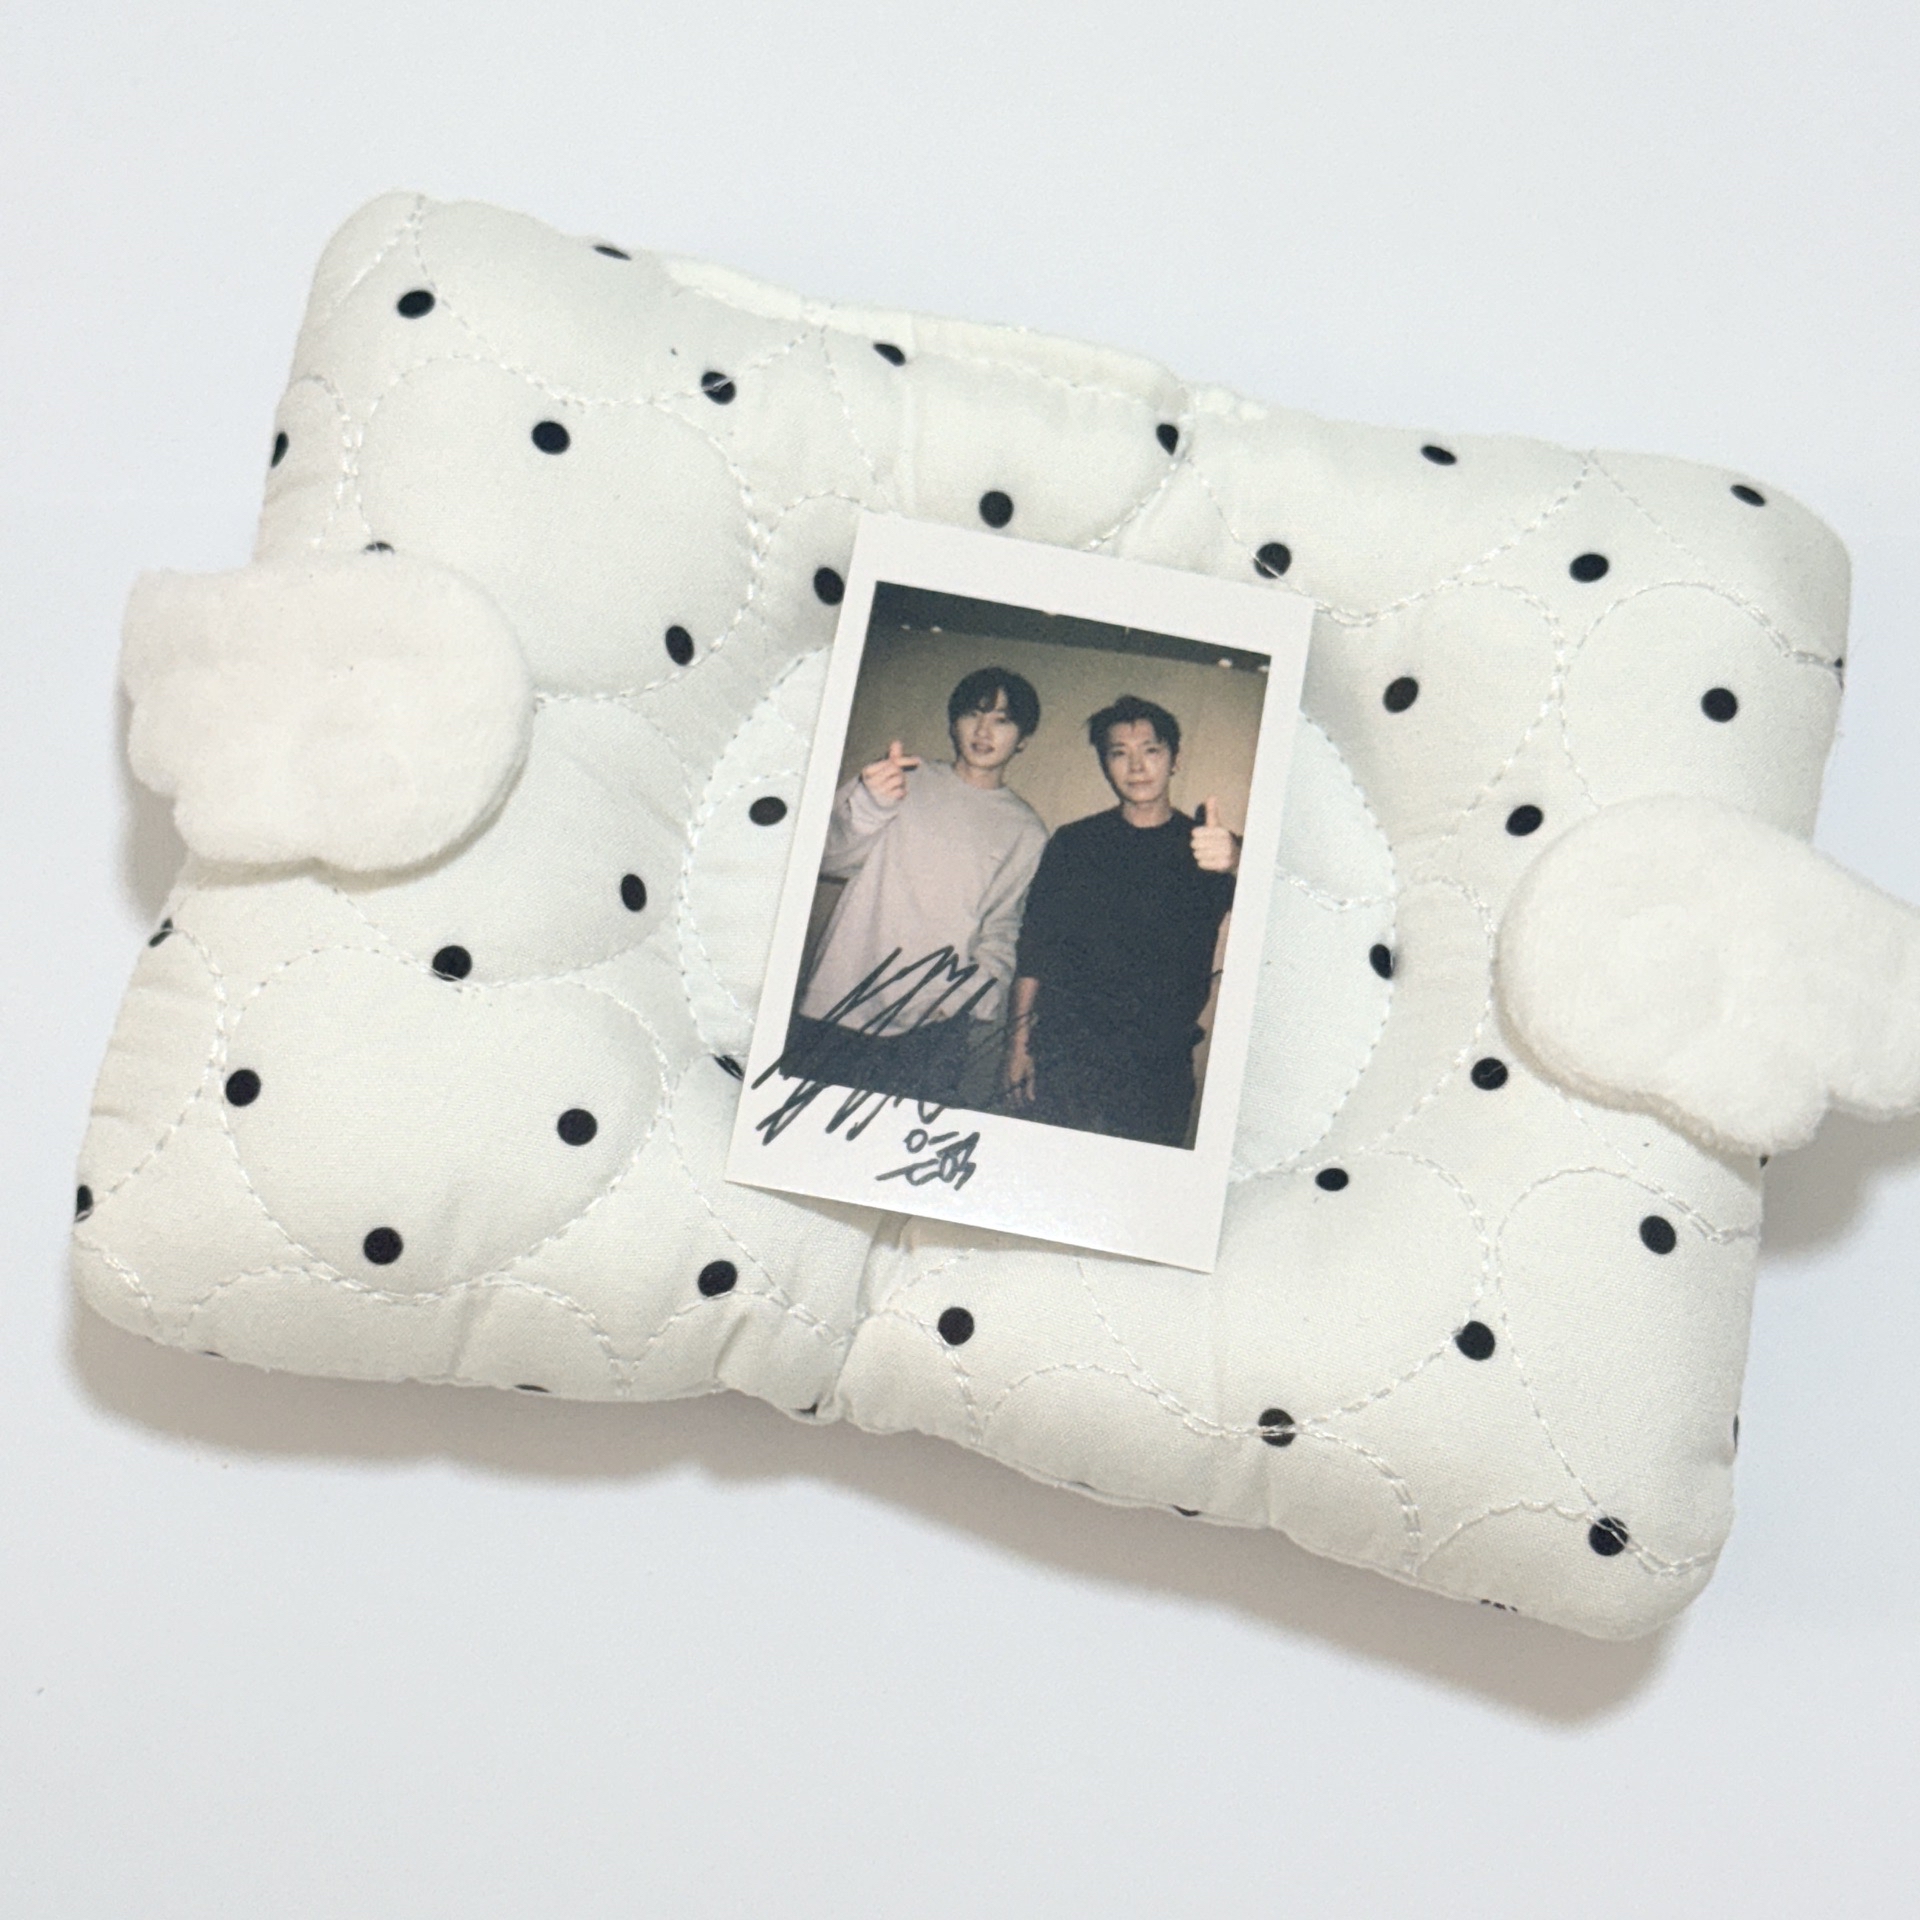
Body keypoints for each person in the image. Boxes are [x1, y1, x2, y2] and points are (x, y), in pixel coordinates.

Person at [787, 667, 1048, 1107]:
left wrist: (963, 999)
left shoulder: (1026, 830)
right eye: (973, 714)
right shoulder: (900, 778)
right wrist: (870, 804)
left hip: (934, 1029)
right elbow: (822, 857)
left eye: (1002, 720)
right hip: (839, 1004)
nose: (983, 731)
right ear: (953, 723)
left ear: (1023, 738)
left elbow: (1003, 929)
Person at [1003, 693, 1239, 1146]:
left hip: (1159, 1068)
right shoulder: (1074, 843)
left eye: (1151, 750)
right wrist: (1015, 1048)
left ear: (1174, 759)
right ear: (1104, 764)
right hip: (1065, 1055)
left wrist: (1238, 861)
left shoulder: (1208, 849)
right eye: (1119, 753)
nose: (1136, 767)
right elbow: (1035, 949)